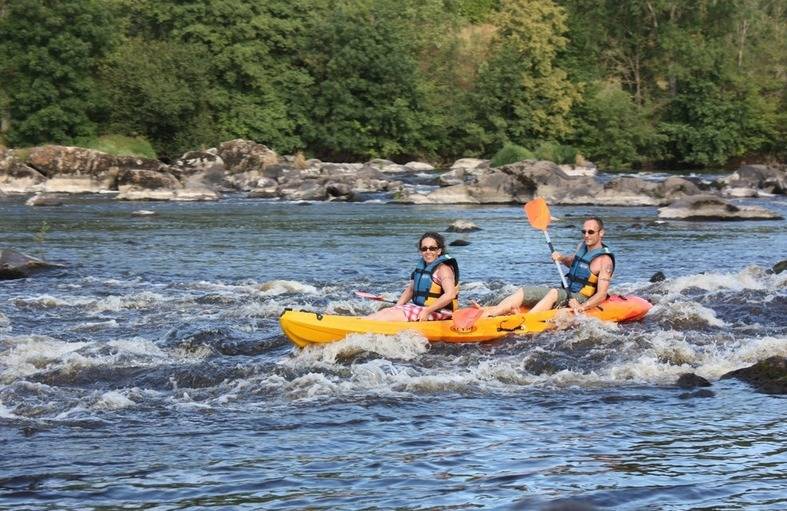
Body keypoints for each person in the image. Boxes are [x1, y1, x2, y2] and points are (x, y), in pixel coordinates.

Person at [482, 217, 615, 316]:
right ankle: (491, 314)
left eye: (591, 232)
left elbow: (602, 294)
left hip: (582, 297)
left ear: (601, 233)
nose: (586, 235)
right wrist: (561, 258)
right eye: (584, 231)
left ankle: (526, 320)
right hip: (567, 292)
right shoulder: (582, 246)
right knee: (523, 291)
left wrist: (582, 307)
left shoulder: (605, 261)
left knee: (553, 293)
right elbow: (573, 263)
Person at [366, 232, 459, 322]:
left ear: (439, 251)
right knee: (386, 311)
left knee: (390, 315)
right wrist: (397, 306)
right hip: (422, 308)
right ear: (420, 252)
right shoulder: (422, 267)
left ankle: (365, 325)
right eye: (424, 249)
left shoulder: (444, 270)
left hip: (439, 311)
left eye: (432, 248)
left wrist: (427, 311)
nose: (428, 252)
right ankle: (362, 322)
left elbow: (450, 295)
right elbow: (410, 290)